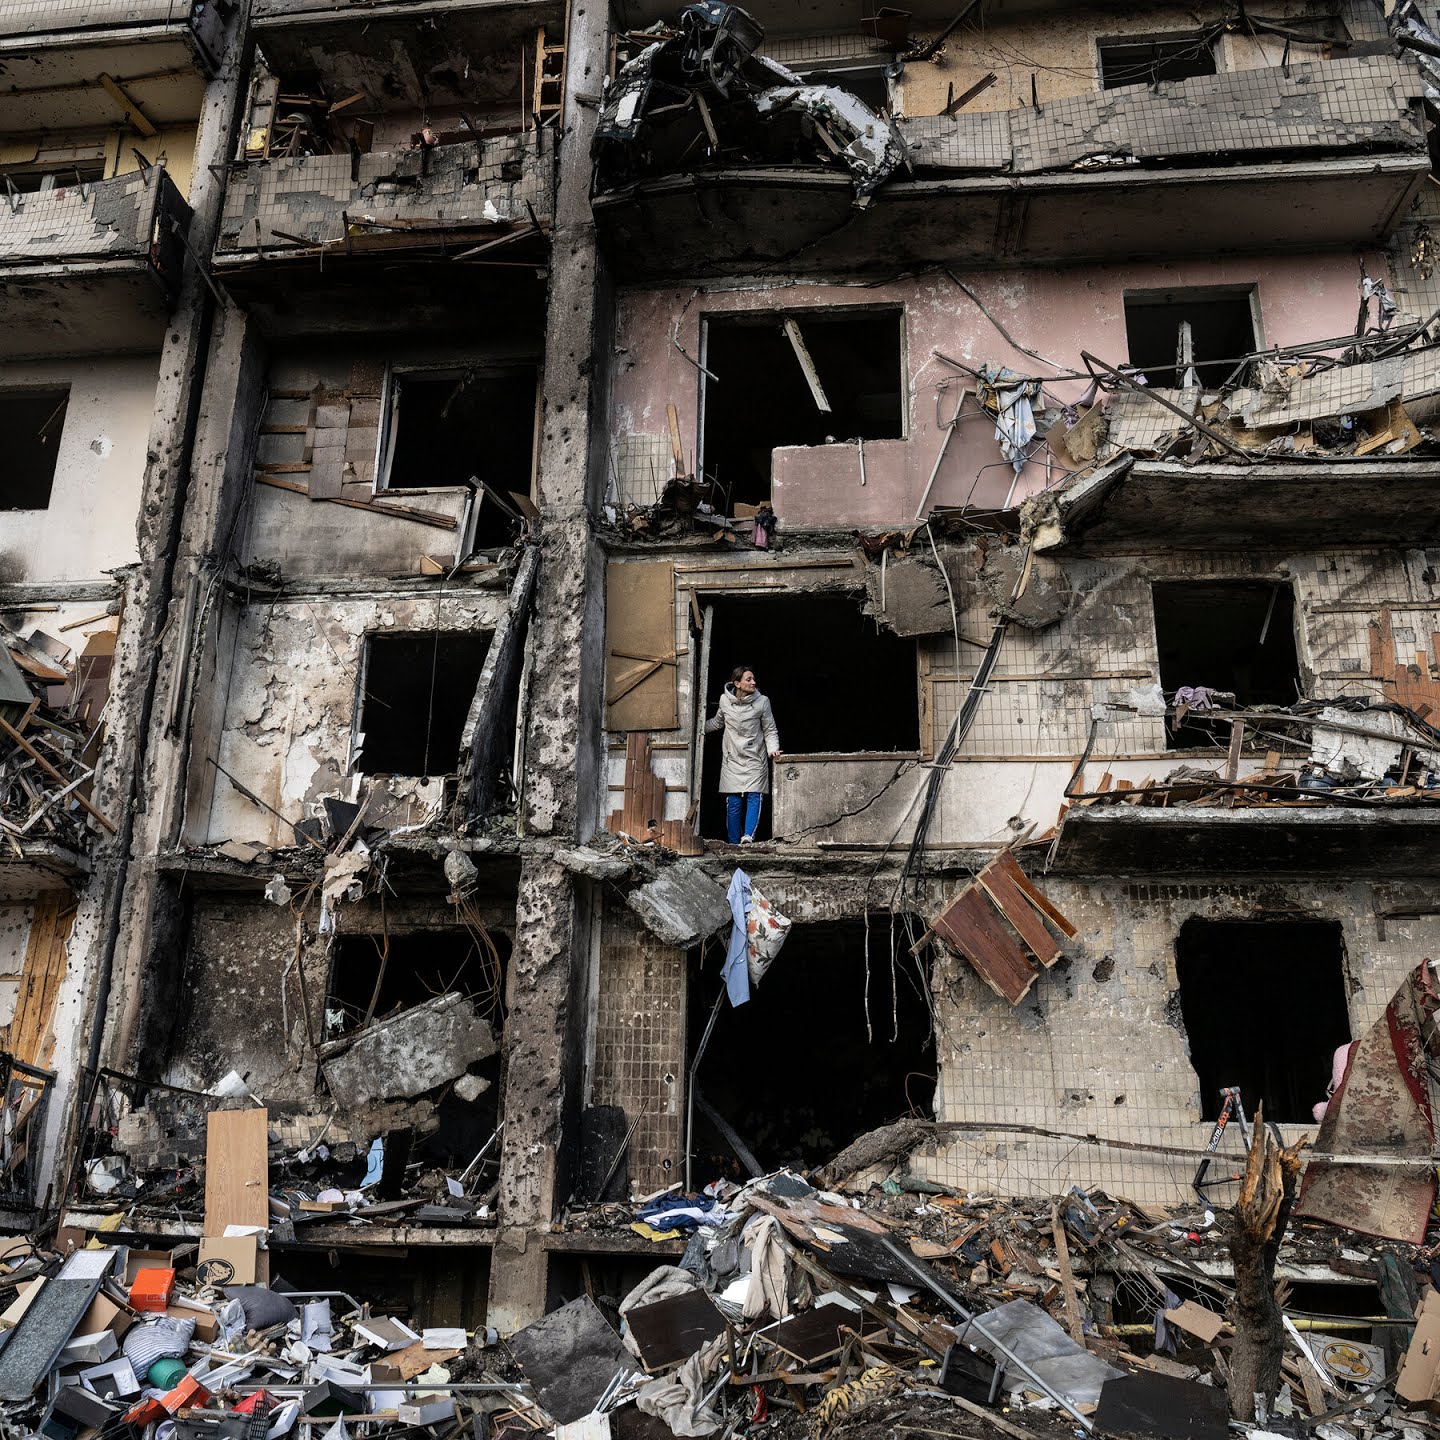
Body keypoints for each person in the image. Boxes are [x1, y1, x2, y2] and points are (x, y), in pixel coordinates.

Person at [704, 665, 780, 844]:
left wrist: (772, 749)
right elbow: (717, 723)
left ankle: (748, 837)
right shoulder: (725, 700)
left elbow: (770, 730)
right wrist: (694, 729)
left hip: (755, 757)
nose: (753, 682)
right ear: (737, 683)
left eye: (754, 679)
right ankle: (732, 842)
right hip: (733, 758)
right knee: (734, 801)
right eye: (748, 679)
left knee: (755, 795)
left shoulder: (762, 702)